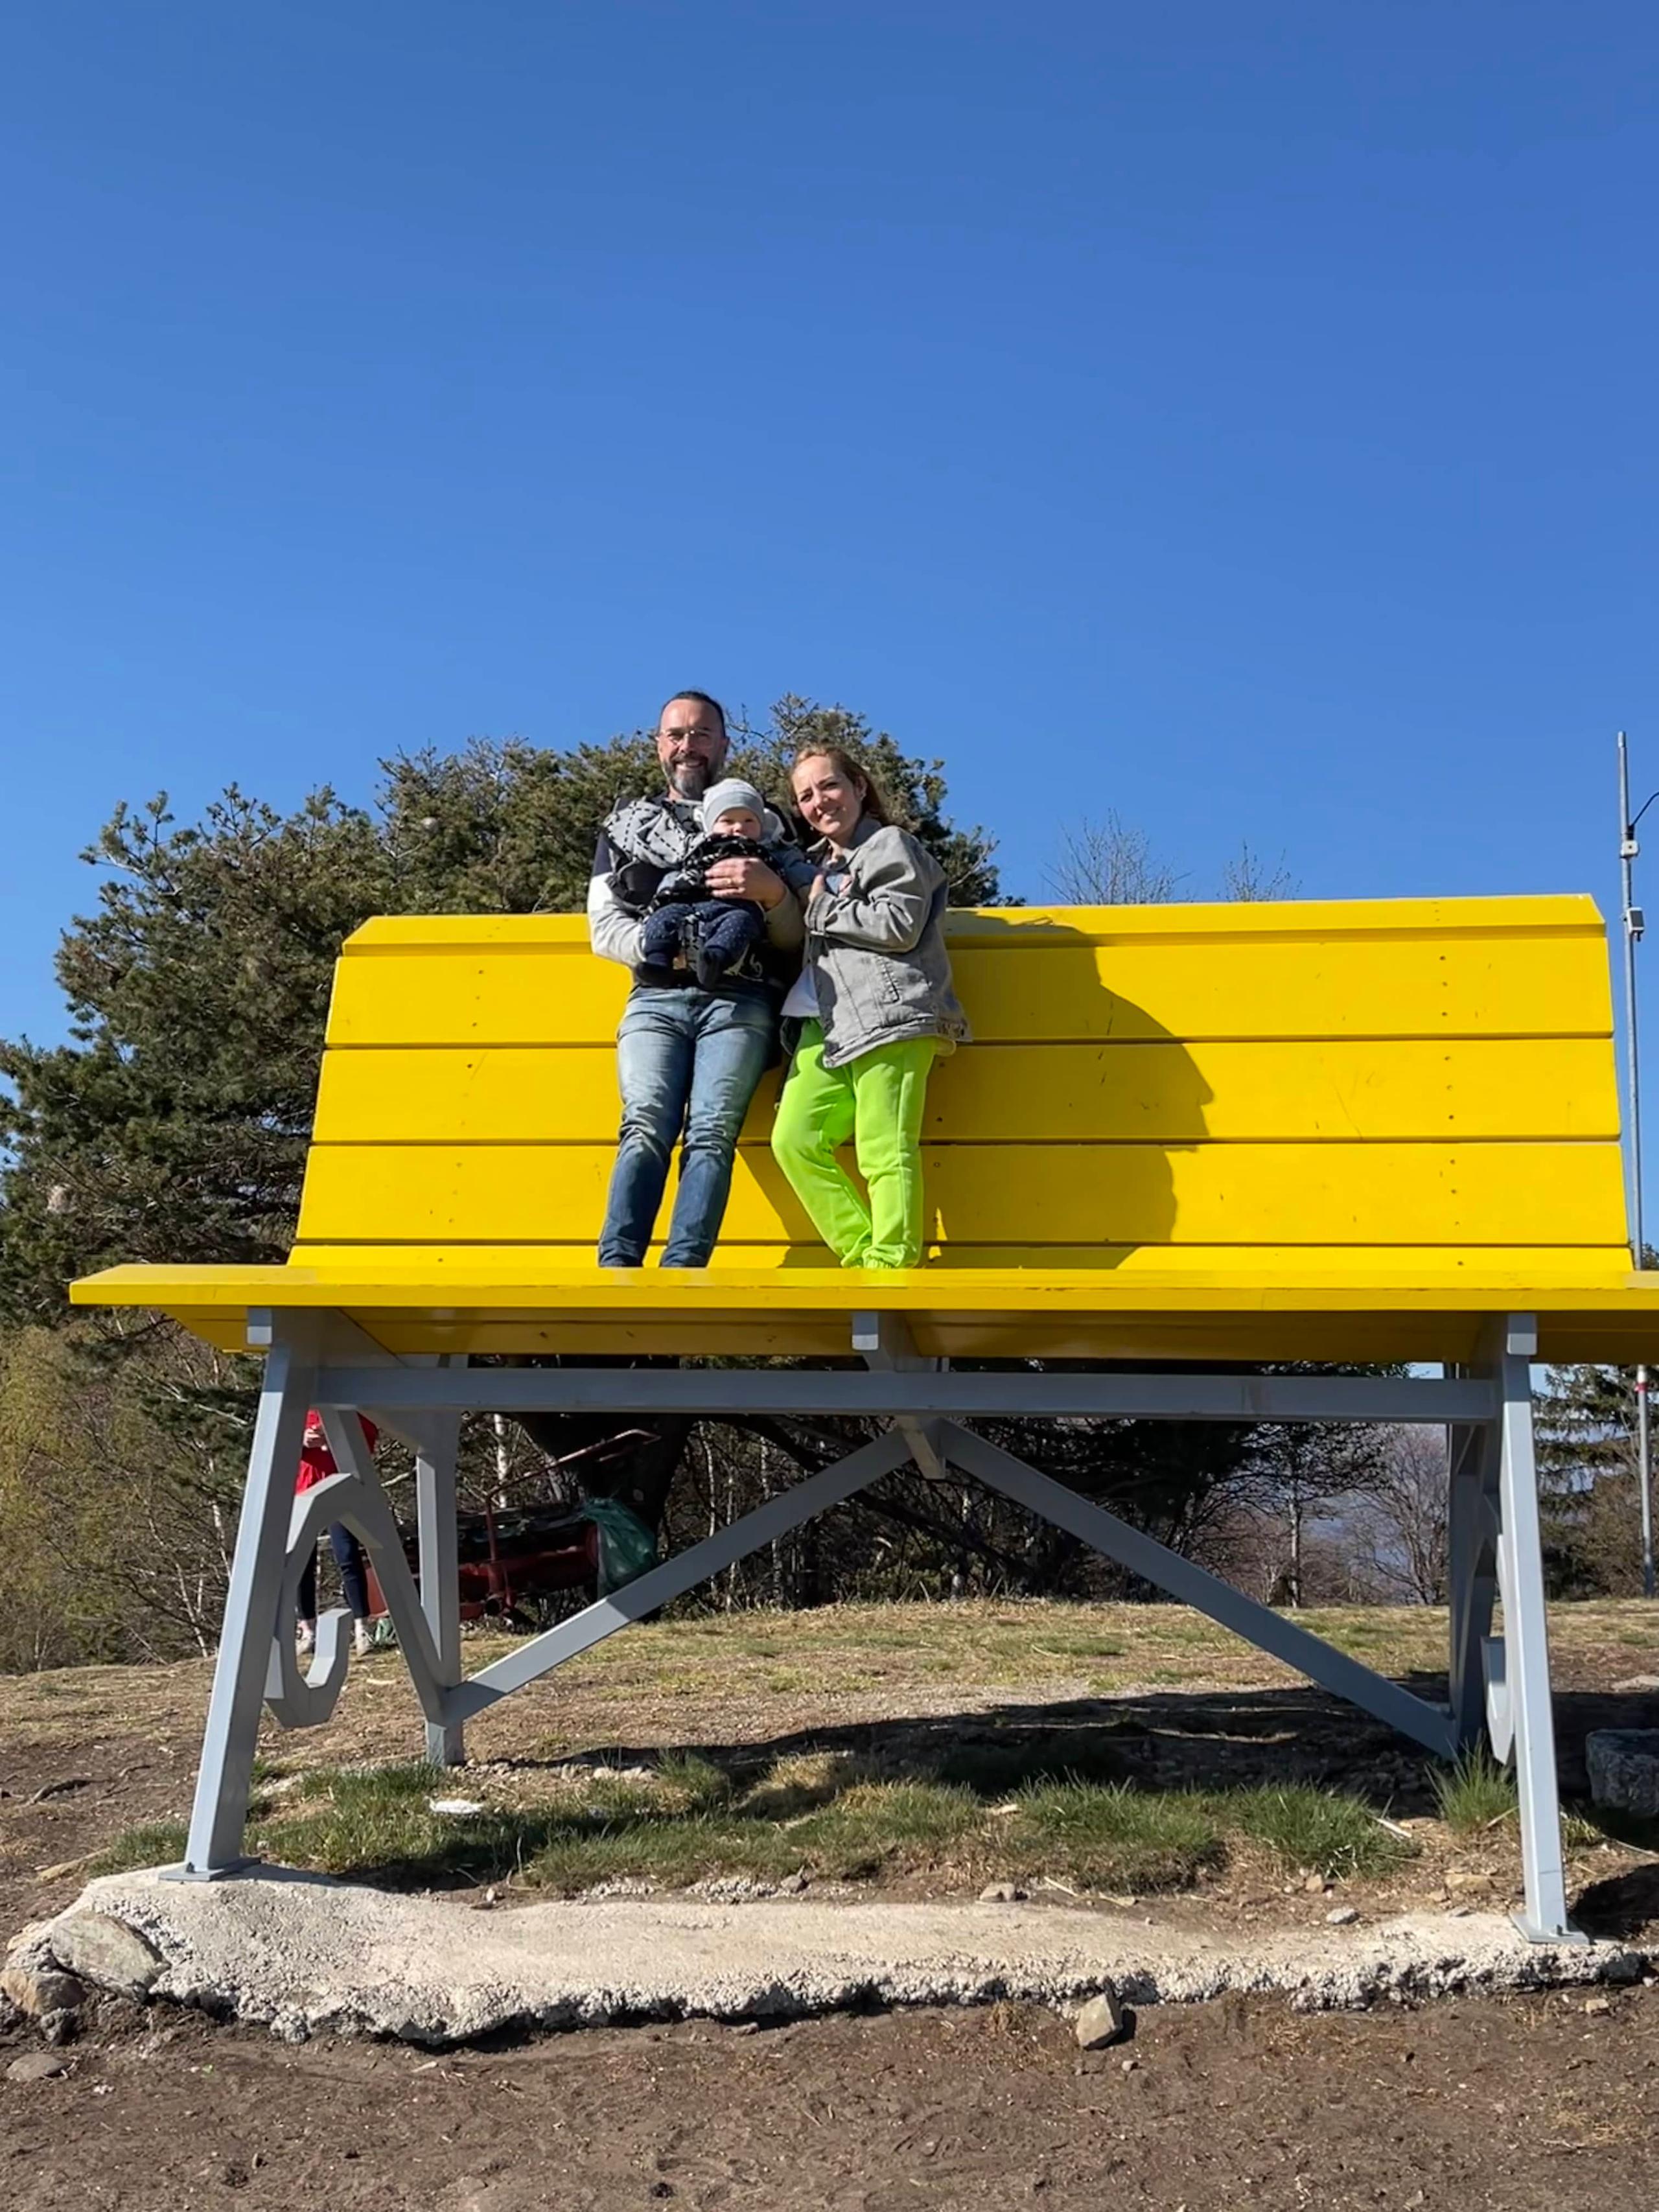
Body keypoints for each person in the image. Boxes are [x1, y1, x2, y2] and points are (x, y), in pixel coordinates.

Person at [588, 692, 813, 1268]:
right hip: (656, 996)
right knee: (643, 1125)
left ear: (724, 743)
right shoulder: (626, 828)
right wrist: (668, 945)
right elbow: (603, 927)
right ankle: (617, 1265)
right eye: (677, 734)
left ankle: (684, 1267)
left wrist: (772, 897)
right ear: (660, 744)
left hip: (743, 998)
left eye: (702, 734)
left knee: (713, 1133)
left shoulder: (766, 825)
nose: (689, 746)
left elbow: (799, 936)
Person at [771, 745, 970, 1270]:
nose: (819, 802)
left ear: (859, 787)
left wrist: (822, 906)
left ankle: (892, 1264)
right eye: (805, 796)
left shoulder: (890, 845)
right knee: (794, 1140)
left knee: (884, 1147)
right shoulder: (818, 865)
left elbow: (899, 925)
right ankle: (865, 1257)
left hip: (892, 1013)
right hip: (827, 1022)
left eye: (829, 786)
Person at [639, 778, 796, 991]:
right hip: (689, 901)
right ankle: (658, 963)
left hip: (735, 907)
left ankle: (715, 962)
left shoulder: (766, 853)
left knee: (741, 924)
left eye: (750, 821)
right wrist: (668, 892)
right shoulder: (698, 847)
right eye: (728, 821)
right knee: (663, 917)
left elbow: (793, 872)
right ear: (710, 825)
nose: (739, 828)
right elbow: (675, 868)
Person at [294, 1409, 377, 1658]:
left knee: (348, 1556)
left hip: (340, 1489)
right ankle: (307, 1630)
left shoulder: (345, 1406)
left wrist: (331, 1441)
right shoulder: (298, 1408)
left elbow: (367, 1440)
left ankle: (361, 1627)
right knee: (300, 1563)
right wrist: (302, 1440)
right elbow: (277, 1446)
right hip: (303, 1491)